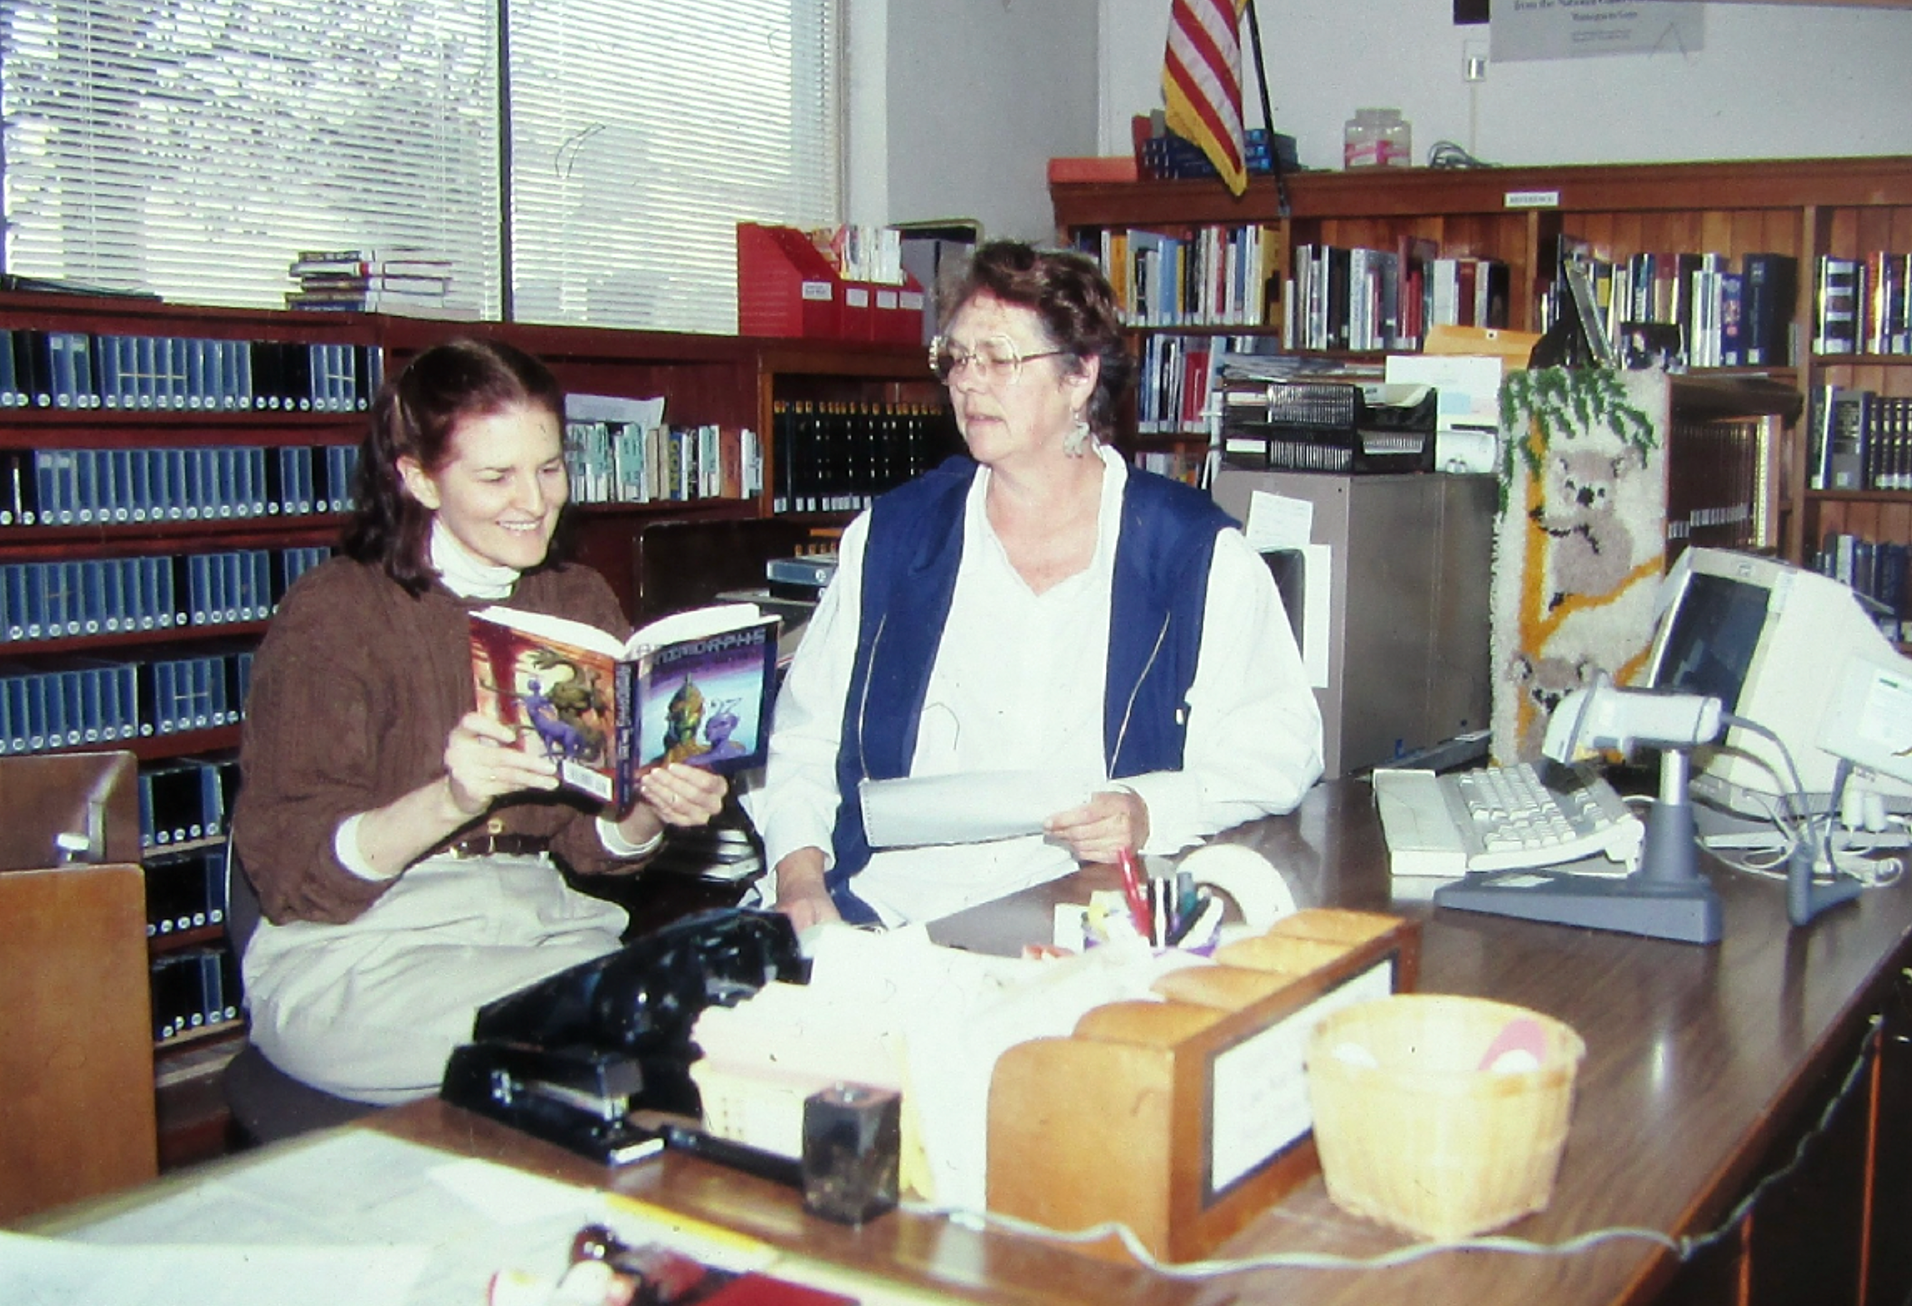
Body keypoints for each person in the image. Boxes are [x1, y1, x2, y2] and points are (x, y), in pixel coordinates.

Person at [744, 240, 1323, 932]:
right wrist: (801, 881)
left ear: (1080, 375)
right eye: (956, 357)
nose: (967, 381)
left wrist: (1149, 810)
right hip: (885, 906)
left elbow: (1280, 750)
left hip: (1080, 912)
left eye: (999, 358)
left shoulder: (1194, 553)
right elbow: (803, 743)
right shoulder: (892, 539)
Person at [232, 337, 728, 1105]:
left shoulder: (574, 602)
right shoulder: (334, 615)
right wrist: (452, 799)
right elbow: (294, 877)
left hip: (538, 925)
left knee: (710, 1007)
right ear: (420, 480)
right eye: (495, 476)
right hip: (363, 950)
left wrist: (648, 812)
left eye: (550, 467)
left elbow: (589, 849)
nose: (533, 502)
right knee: (589, 1038)